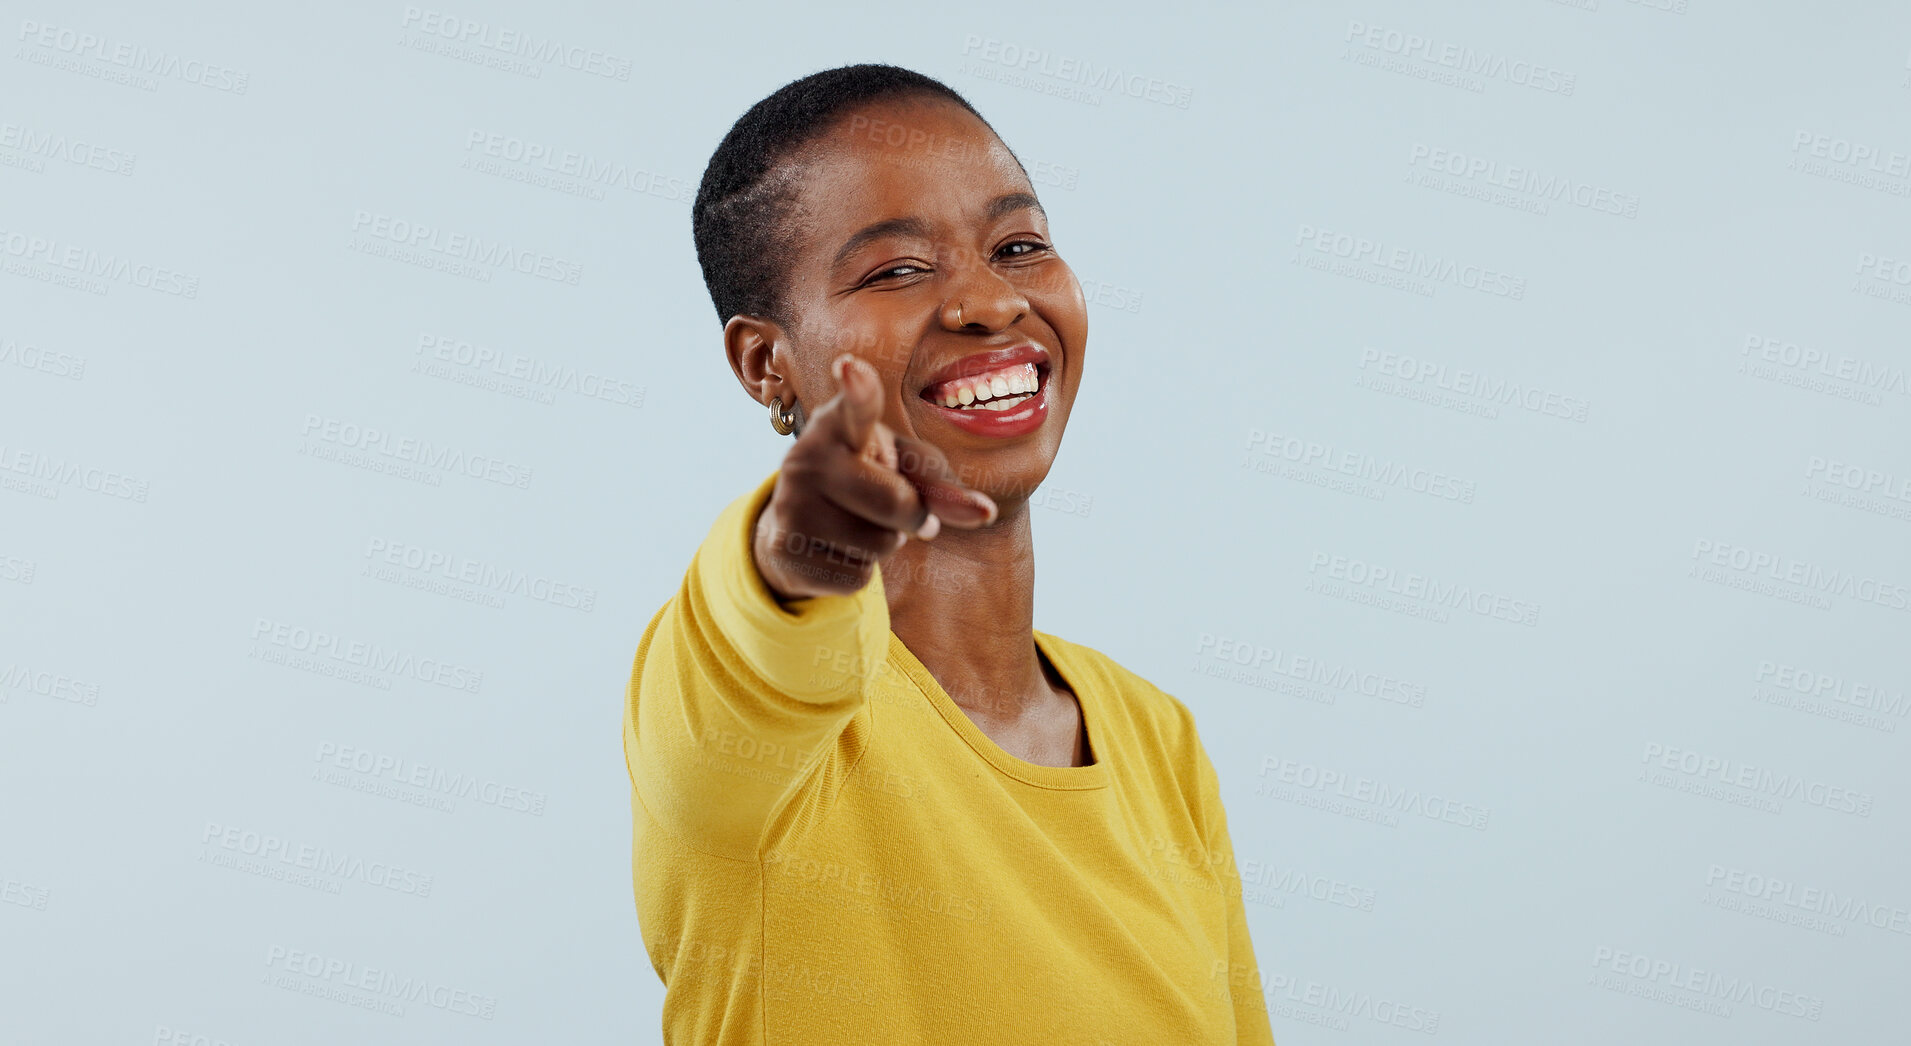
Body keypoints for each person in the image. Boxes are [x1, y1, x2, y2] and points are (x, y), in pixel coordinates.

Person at [622, 63, 1275, 1045]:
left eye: (1018, 245)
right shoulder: (754, 733)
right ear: (768, 363)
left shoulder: (1158, 740)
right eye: (897, 269)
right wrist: (795, 550)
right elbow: (755, 628)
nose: (989, 301)